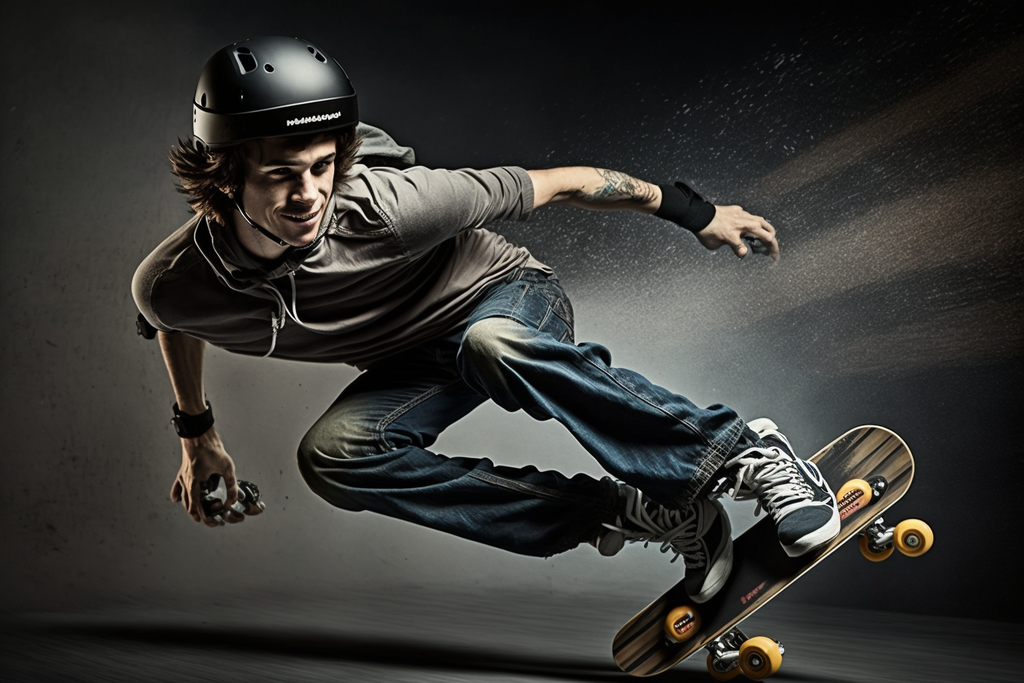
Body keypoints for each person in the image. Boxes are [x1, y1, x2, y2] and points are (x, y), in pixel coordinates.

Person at [133, 36, 841, 605]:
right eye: (282, 174)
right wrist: (198, 435)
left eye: (322, 167)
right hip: (417, 361)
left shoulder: (394, 204)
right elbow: (175, 318)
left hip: (506, 299)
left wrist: (700, 215)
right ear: (225, 177)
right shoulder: (175, 281)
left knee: (491, 342)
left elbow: (558, 183)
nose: (310, 194)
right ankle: (638, 513)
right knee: (332, 456)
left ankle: (745, 455)